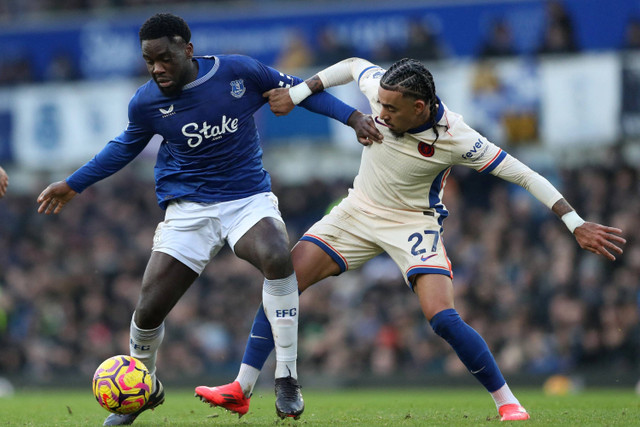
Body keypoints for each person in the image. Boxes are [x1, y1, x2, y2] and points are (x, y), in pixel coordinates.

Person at [195, 57, 626, 421]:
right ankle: (242, 386)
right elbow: (350, 65)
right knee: (282, 279)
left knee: (441, 317)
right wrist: (301, 92)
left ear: (420, 108)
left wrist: (575, 223)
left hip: (412, 224)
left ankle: (508, 402)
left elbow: (524, 174)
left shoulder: (458, 138)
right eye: (378, 104)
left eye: (391, 109)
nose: (379, 114)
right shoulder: (383, 90)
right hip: (355, 212)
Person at [36, 14, 380, 426]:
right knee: (147, 312)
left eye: (164, 58)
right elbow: (123, 147)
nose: (157, 68)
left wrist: (353, 117)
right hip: (189, 209)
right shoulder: (146, 102)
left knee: (276, 255)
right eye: (149, 60)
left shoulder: (238, 72)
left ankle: (286, 375)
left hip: (246, 199)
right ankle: (143, 389)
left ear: (187, 50)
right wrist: (74, 184)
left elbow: (299, 90)